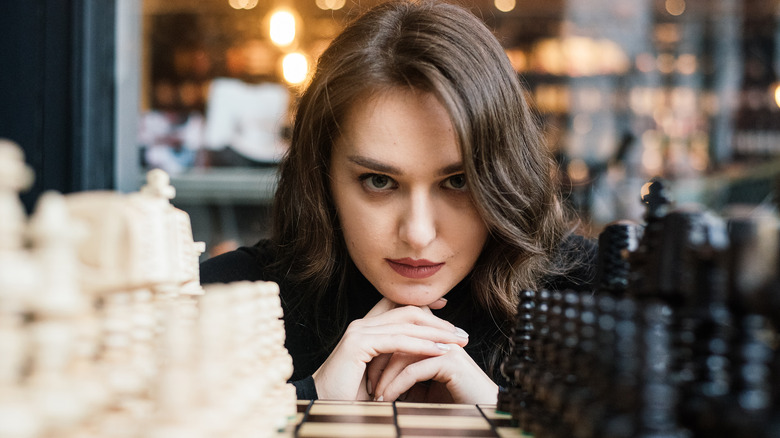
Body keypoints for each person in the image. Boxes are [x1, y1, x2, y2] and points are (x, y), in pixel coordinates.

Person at [200, 0, 596, 404]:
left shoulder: (598, 299)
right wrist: (308, 399)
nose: (419, 234)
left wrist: (498, 415)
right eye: (379, 181)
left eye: (458, 181)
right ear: (321, 178)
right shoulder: (219, 307)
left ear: (504, 175)